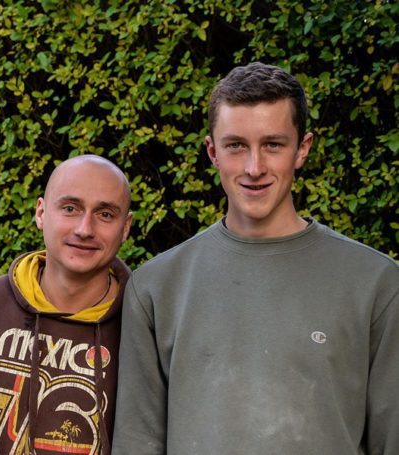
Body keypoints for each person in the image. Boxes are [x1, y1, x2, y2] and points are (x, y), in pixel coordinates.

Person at [112, 62, 399, 454]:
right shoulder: (156, 287)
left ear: (302, 148)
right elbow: (137, 444)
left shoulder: (375, 283)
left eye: (273, 145)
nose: (254, 168)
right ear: (212, 151)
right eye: (236, 146)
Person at [0, 154, 133, 454]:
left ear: (126, 227)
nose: (85, 228)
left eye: (105, 214)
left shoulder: (141, 322)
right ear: (41, 213)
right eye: (70, 208)